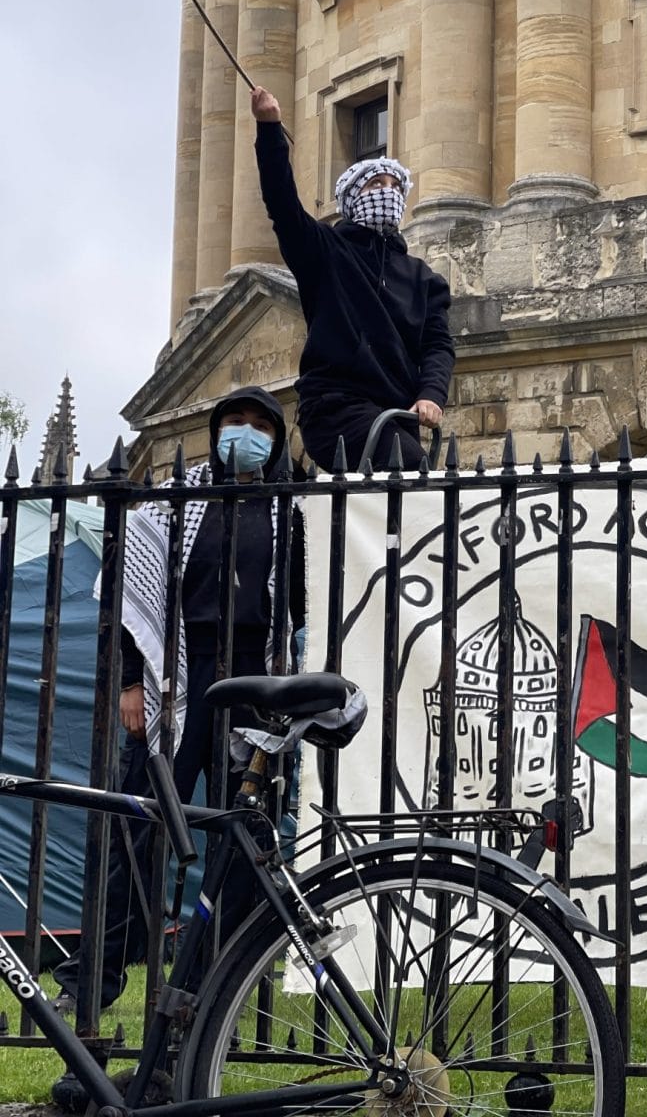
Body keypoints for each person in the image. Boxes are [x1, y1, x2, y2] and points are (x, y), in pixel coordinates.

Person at [52, 386, 305, 1014]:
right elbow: (134, 599)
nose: (242, 434)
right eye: (232, 422)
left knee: (243, 839)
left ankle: (211, 987)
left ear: (276, 440)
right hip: (176, 676)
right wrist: (132, 683)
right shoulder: (178, 500)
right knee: (135, 832)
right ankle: (95, 983)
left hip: (253, 682)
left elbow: (305, 605)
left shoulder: (291, 508)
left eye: (258, 426)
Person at [250, 86, 454, 472]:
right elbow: (282, 204)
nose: (387, 193)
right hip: (334, 408)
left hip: (395, 415)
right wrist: (270, 129)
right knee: (413, 472)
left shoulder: (423, 279)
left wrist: (431, 394)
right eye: (376, 185)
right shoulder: (324, 251)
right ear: (352, 198)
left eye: (395, 187)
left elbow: (438, 345)